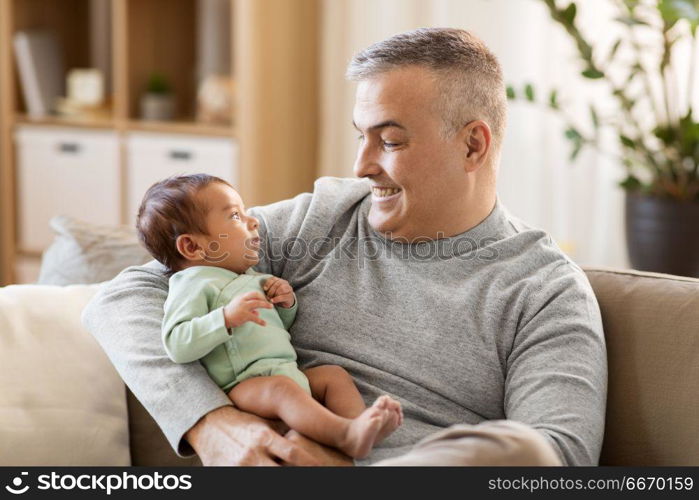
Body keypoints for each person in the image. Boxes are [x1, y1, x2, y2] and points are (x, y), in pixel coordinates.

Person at [83, 28, 606, 466]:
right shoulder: (325, 217)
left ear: (472, 145)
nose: (362, 165)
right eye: (361, 136)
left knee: (523, 453)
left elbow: (558, 458)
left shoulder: (544, 288)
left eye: (391, 141)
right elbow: (125, 294)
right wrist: (213, 424)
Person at [136, 174, 402, 459]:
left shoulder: (251, 278)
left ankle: (358, 427)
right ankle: (345, 434)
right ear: (192, 247)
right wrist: (224, 318)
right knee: (281, 390)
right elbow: (177, 343)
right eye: (235, 216)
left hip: (285, 372)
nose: (253, 221)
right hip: (242, 386)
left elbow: (272, 330)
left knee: (332, 376)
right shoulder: (193, 283)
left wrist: (285, 305)